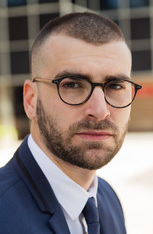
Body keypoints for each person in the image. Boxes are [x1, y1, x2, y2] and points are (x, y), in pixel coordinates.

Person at [0, 12, 142, 234]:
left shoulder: (107, 199)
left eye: (115, 86)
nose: (100, 111)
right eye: (73, 85)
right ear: (31, 100)